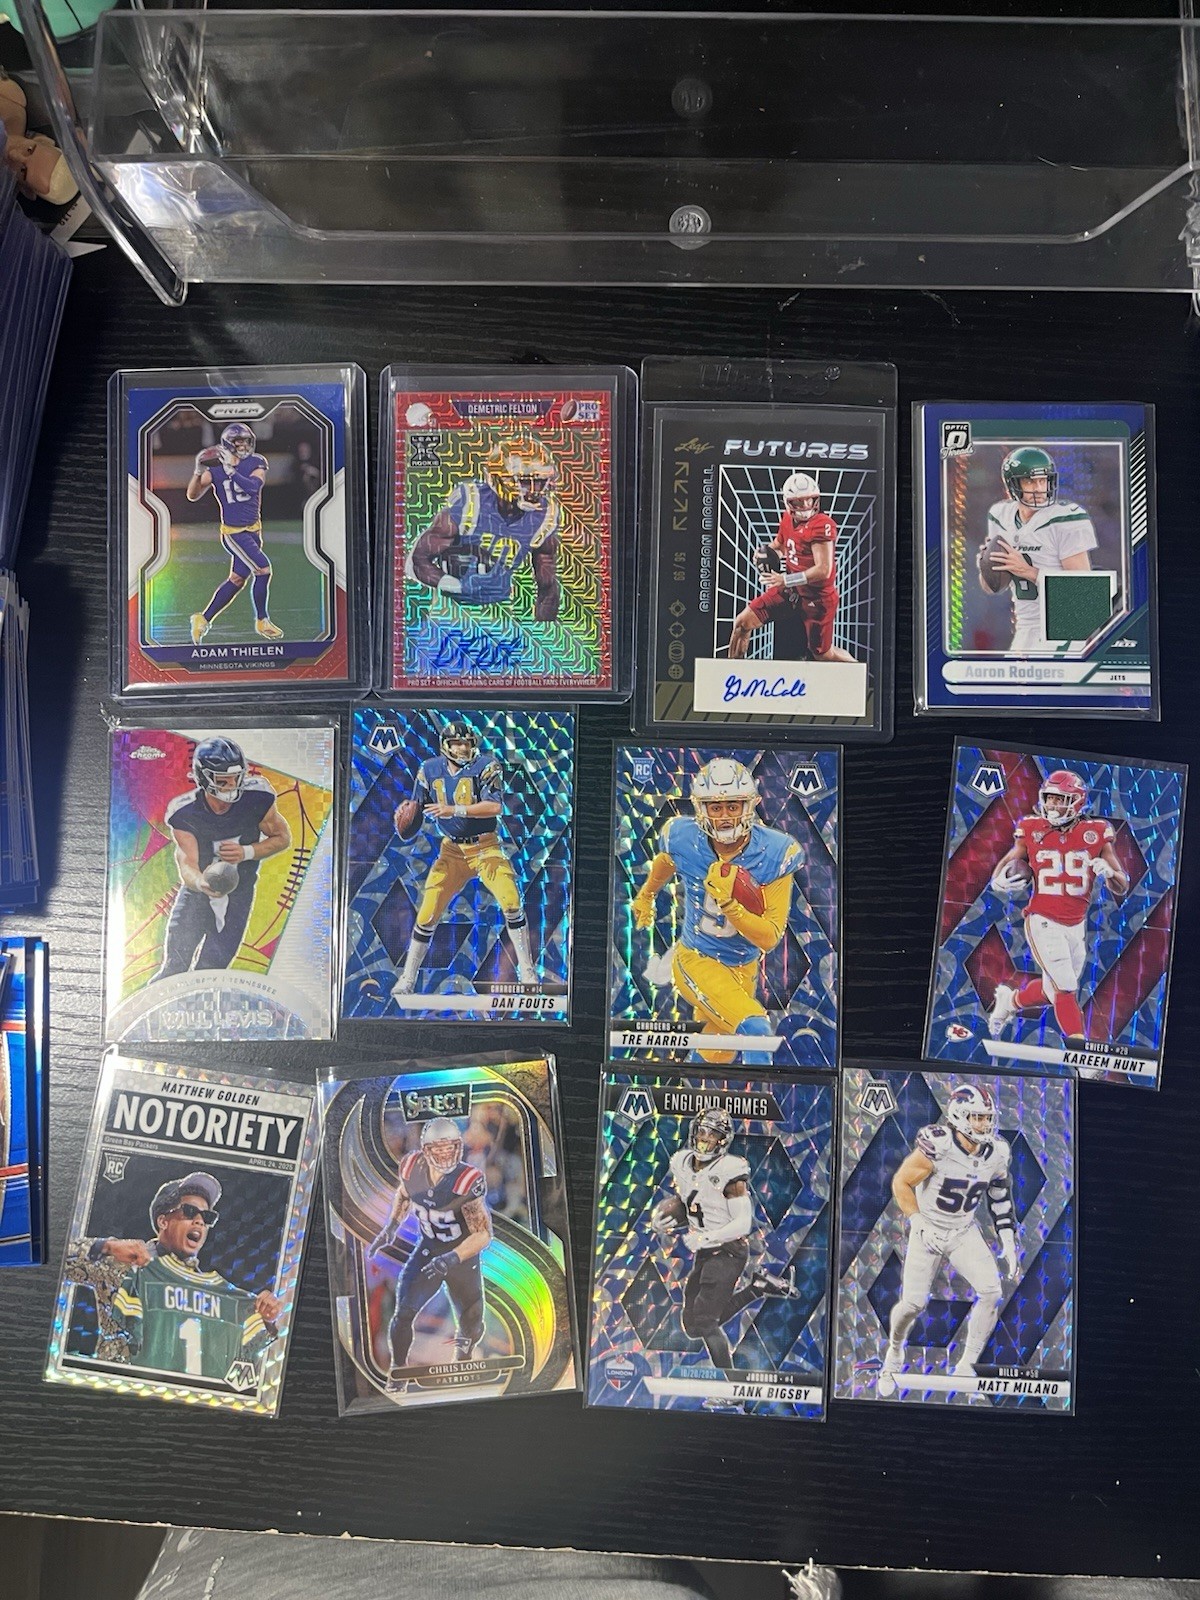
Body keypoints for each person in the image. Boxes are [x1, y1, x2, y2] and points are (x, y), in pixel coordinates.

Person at [632, 758, 801, 1065]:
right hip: (697, 959)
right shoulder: (683, 836)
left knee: (717, 1053)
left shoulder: (777, 852)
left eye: (733, 806)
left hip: (744, 966)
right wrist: (646, 895)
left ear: (750, 805)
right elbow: (667, 861)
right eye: (716, 807)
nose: (724, 816)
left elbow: (769, 937)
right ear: (701, 808)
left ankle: (685, 1085)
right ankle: (767, 1093)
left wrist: (729, 905)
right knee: (755, 1030)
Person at [63, 1171, 283, 1381]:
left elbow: (246, 1360)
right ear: (163, 1221)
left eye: (207, 1217)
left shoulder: (218, 1292)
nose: (199, 1221)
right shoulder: (128, 1265)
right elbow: (58, 1260)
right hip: (123, 1390)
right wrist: (106, 1247)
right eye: (189, 1211)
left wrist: (267, 1320)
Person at [657, 1109, 796, 1402]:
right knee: (693, 1326)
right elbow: (691, 1202)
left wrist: (705, 1237)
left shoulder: (731, 1173)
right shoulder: (682, 1162)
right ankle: (757, 1287)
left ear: (723, 1140)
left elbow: (743, 1224)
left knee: (706, 1323)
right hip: (707, 1251)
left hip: (729, 1251)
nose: (705, 1139)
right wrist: (664, 1220)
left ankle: (732, 1390)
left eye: (713, 1134)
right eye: (702, 1132)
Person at [882, 1084, 1018, 1382]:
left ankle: (967, 1365)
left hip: (962, 1231)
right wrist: (918, 1221)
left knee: (991, 1292)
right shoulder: (939, 1146)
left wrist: (1008, 1239)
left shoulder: (997, 1153)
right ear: (958, 1115)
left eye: (987, 1117)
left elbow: (999, 1195)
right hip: (928, 1229)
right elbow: (901, 1182)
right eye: (977, 1117)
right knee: (913, 1304)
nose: (984, 1124)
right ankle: (894, 1349)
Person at [391, 720, 537, 996]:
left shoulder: (486, 765)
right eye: (457, 743)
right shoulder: (429, 769)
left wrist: (454, 810)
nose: (462, 748)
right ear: (445, 746)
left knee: (511, 901)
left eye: (467, 743)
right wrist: (405, 814)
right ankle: (408, 977)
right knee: (427, 913)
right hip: (452, 851)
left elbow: (494, 806)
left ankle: (527, 970)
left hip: (486, 847)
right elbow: (418, 806)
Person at [988, 768, 1129, 1045]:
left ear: (1076, 801)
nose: (1052, 805)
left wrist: (1110, 873)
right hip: (1043, 919)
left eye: (1059, 799)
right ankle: (1079, 1050)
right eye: (1049, 798)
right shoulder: (1031, 828)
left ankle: (1010, 1000)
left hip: (1076, 924)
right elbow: (1011, 859)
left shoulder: (1096, 832)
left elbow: (1122, 885)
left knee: (1053, 990)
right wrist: (998, 879)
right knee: (1065, 989)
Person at [367, 1118, 493, 1387]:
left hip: (462, 1257)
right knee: (403, 1314)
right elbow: (403, 1194)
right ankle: (398, 1372)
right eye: (439, 1149)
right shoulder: (411, 1167)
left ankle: (463, 1359)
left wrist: (452, 1258)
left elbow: (483, 1234)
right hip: (428, 1250)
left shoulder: (466, 1181)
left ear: (459, 1147)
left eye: (451, 1148)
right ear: (425, 1150)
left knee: (472, 1322)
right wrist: (392, 1226)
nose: (446, 1154)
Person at [153, 737, 291, 981]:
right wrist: (201, 882)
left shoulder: (257, 797)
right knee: (174, 968)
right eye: (223, 780)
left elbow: (282, 838)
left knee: (211, 971)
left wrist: (247, 852)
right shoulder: (185, 812)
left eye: (237, 777)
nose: (232, 786)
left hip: (239, 893)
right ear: (204, 778)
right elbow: (187, 862)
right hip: (197, 894)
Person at [407, 437, 561, 619]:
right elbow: (418, 560)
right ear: (497, 478)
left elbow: (547, 586)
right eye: (525, 481)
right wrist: (454, 585)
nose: (535, 490)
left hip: (499, 611)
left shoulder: (544, 516)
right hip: (450, 608)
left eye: (541, 481)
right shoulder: (470, 504)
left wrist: (545, 628)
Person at [979, 446, 1097, 654]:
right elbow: (991, 588)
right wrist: (987, 566)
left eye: (1043, 480)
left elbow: (1083, 597)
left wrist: (1028, 572)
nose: (1039, 488)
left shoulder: (1066, 518)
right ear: (1012, 484)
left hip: (1064, 629)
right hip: (1024, 628)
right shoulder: (1000, 515)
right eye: (1030, 481)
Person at [728, 471, 855, 664]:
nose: (806, 505)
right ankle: (731, 673)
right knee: (742, 623)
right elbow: (779, 545)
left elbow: (824, 570)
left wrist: (786, 579)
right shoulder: (787, 519)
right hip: (791, 592)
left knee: (823, 655)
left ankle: (859, 671)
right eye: (799, 501)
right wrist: (764, 553)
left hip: (816, 598)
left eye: (809, 499)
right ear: (787, 502)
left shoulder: (821, 524)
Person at [187, 422, 284, 644]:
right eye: (238, 442)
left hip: (253, 530)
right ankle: (262, 621)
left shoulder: (257, 461)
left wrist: (231, 471)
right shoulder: (216, 470)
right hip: (234, 533)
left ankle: (203, 619)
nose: (243, 446)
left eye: (246, 442)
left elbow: (253, 487)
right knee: (263, 569)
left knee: (237, 579)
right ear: (228, 444)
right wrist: (198, 471)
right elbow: (192, 495)